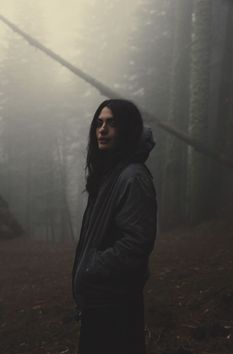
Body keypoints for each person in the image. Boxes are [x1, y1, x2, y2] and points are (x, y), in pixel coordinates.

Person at [72, 99, 158, 354]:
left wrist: (91, 266)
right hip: (100, 301)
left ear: (127, 129)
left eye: (111, 123)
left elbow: (136, 244)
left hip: (116, 304)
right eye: (99, 123)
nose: (102, 129)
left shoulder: (133, 177)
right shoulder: (110, 174)